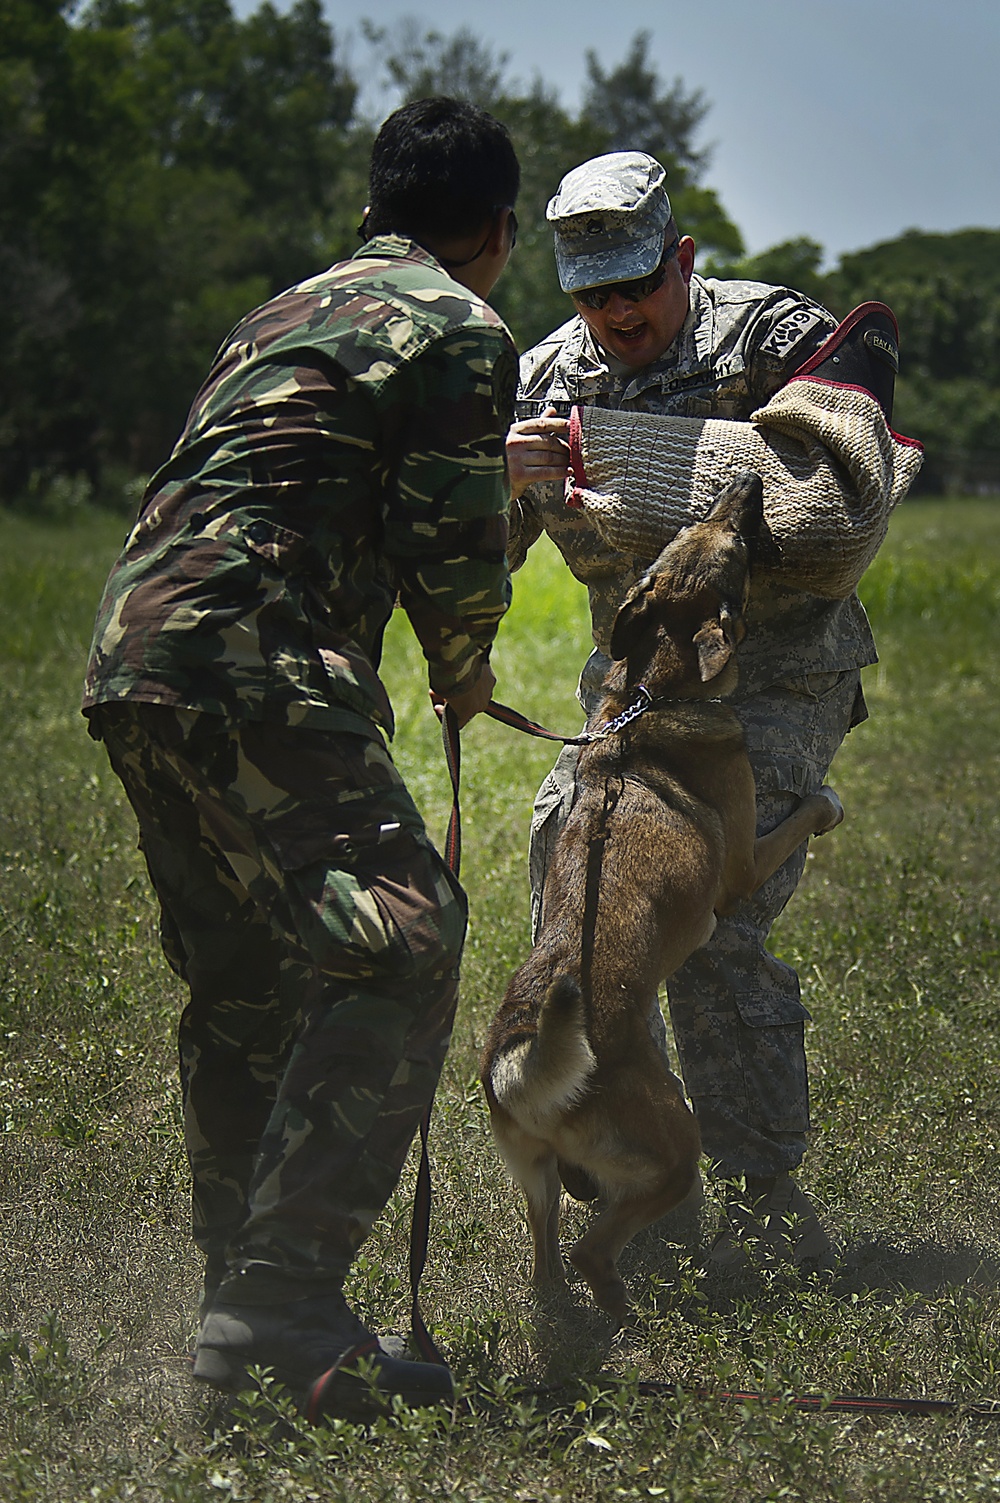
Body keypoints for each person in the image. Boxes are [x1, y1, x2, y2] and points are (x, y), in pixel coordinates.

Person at [82, 97, 519, 1416]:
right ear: (498, 231)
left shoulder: (282, 310)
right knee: (407, 937)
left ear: (378, 206)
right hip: (257, 658)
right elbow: (452, 547)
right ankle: (280, 1293)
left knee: (250, 983)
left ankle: (251, 1324)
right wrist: (467, 664)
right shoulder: (457, 324)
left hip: (135, 657)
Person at [506, 150, 912, 1272]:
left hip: (781, 673)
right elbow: (471, 545)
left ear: (682, 258)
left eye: (638, 284)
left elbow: (833, 516)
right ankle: (635, 1172)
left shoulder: (773, 339)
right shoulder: (540, 380)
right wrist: (498, 481)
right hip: (636, 684)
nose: (618, 313)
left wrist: (622, 460)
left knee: (717, 921)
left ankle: (767, 1199)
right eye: (593, 294)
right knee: (578, 908)